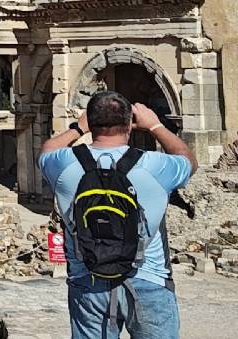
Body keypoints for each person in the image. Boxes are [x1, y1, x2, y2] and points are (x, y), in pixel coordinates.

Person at [38, 92, 196, 339]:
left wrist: (77, 129)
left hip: (87, 280)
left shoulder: (62, 164)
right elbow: (187, 159)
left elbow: (46, 150)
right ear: (129, 125)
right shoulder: (154, 165)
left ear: (91, 123)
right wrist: (155, 125)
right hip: (148, 278)